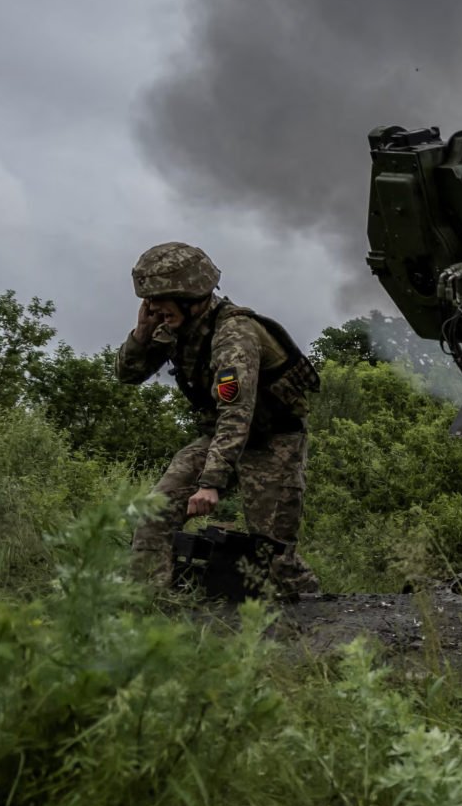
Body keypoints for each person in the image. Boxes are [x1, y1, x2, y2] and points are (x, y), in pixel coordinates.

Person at [117, 242, 322, 598]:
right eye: (147, 300)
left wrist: (210, 482)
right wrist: (141, 335)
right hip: (220, 437)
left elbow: (236, 412)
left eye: (158, 299)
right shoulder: (174, 327)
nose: (151, 308)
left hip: (271, 442)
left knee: (271, 552)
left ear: (188, 294)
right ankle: (146, 609)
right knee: (155, 514)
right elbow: (128, 375)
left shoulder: (234, 335)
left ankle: (321, 619)